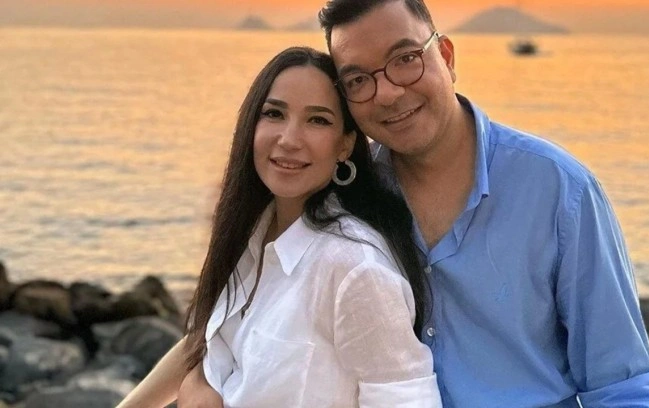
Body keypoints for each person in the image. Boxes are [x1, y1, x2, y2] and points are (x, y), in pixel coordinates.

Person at [315, 0, 649, 407]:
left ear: (446, 56)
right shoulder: (348, 199)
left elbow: (624, 386)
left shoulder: (559, 190)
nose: (388, 92)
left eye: (406, 59)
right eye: (358, 80)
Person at [116, 46, 442, 407]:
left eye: (317, 120)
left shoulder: (354, 269)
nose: (288, 139)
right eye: (274, 113)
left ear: (345, 145)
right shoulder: (256, 230)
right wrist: (198, 381)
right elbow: (207, 340)